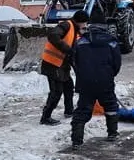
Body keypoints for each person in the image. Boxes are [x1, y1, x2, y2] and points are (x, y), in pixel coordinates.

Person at [69, 22, 122, 151]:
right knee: (110, 105)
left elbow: (74, 61)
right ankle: (112, 133)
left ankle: (77, 141)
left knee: (83, 109)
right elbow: (117, 63)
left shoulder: (80, 42)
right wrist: (109, 74)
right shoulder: (112, 42)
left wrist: (82, 74)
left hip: (86, 82)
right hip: (105, 81)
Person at [39, 10, 89, 125]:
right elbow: (53, 35)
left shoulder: (75, 32)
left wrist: (79, 68)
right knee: (56, 92)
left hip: (62, 65)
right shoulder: (66, 25)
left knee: (68, 87)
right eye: (85, 23)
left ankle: (69, 111)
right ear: (80, 21)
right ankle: (45, 117)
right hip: (52, 64)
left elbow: (73, 53)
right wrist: (67, 49)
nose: (85, 26)